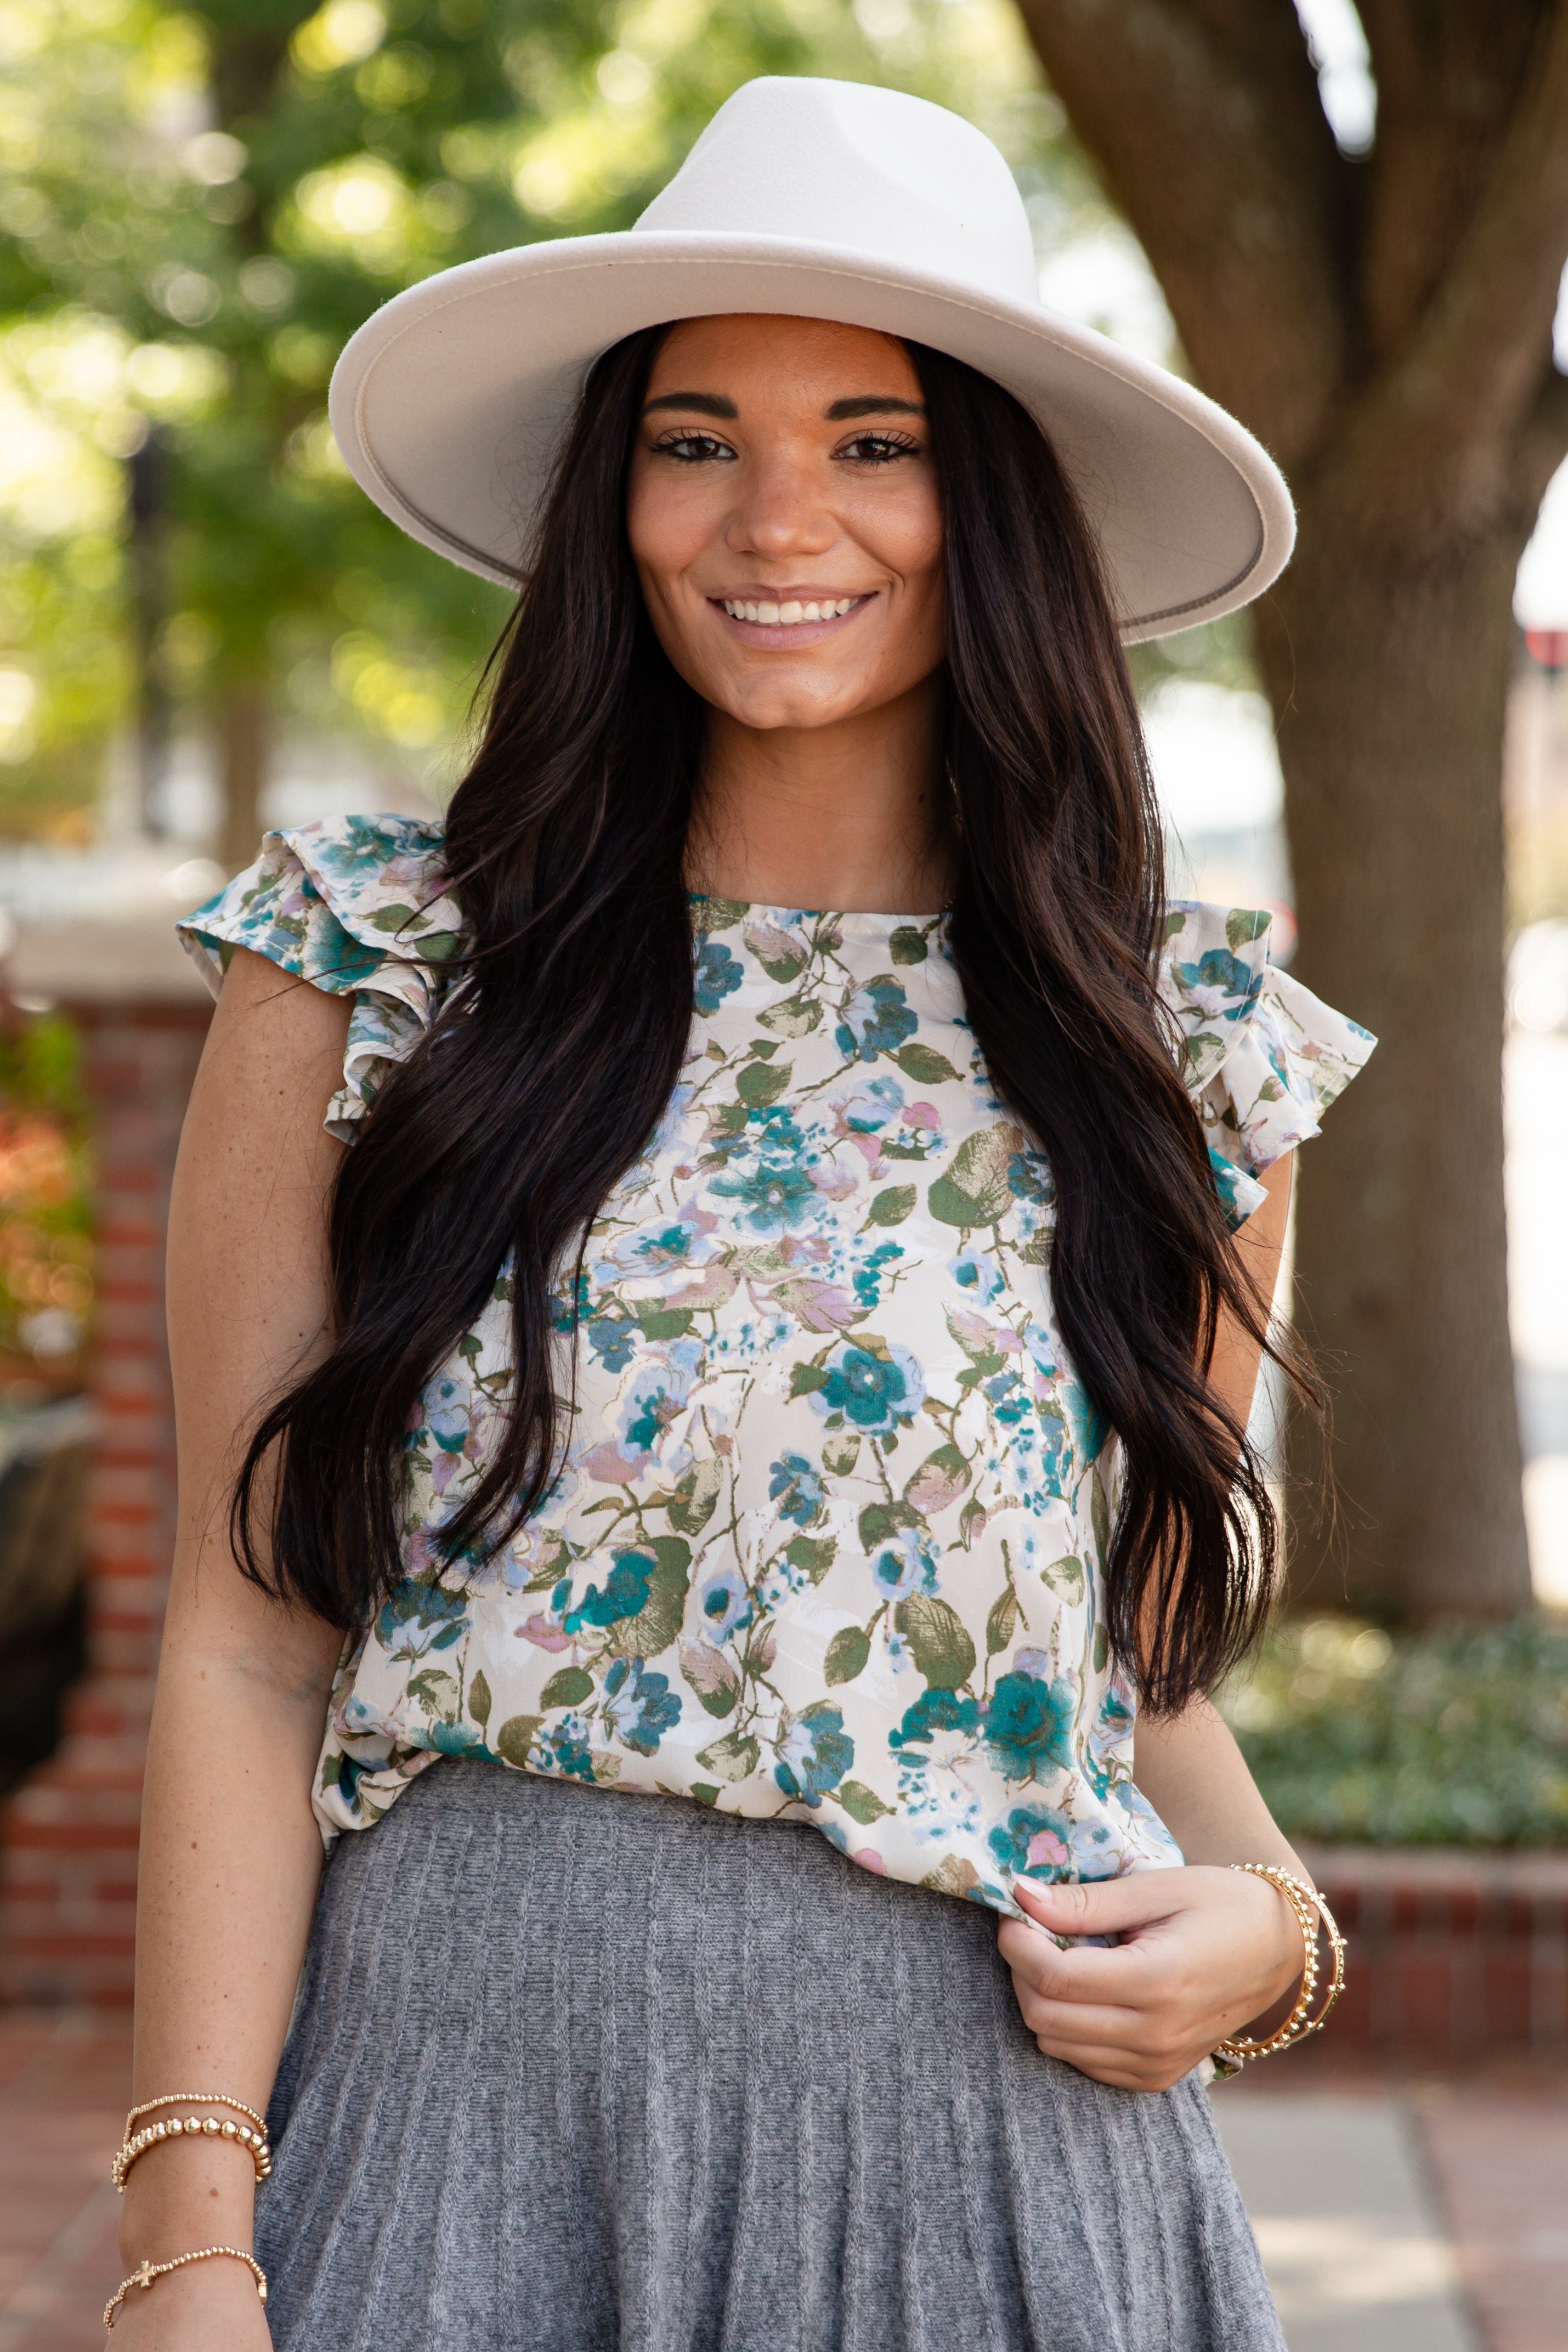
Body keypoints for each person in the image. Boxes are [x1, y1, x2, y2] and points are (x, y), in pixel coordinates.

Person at [110, 77, 1375, 2352]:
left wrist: (1273, 1934)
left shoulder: (1178, 1045)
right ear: (613, 497)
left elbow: (1124, 1663)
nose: (774, 514)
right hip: (465, 2125)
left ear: (991, 505)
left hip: (991, 2175)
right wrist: (188, 2242)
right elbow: (242, 1633)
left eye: (871, 440)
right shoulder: (381, 964)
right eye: (696, 438)